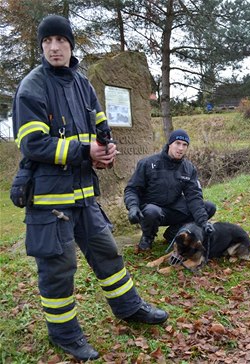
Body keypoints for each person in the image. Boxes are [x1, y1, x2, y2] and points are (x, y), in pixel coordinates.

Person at [11, 15, 168, 361]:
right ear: (42, 46)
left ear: (70, 45)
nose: (54, 47)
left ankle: (129, 308)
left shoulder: (81, 84)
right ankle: (65, 334)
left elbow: (100, 126)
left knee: (108, 254)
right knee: (58, 269)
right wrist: (86, 151)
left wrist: (106, 153)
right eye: (48, 41)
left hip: (84, 196)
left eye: (61, 41)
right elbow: (33, 144)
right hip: (49, 202)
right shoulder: (32, 87)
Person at [124, 129, 216, 251]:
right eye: (177, 143)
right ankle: (148, 237)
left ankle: (175, 232)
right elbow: (132, 189)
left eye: (185, 145)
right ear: (170, 144)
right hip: (152, 210)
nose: (181, 148)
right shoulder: (147, 163)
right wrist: (133, 206)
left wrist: (203, 222)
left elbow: (194, 196)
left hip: (175, 208)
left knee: (209, 207)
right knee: (152, 211)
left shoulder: (189, 169)